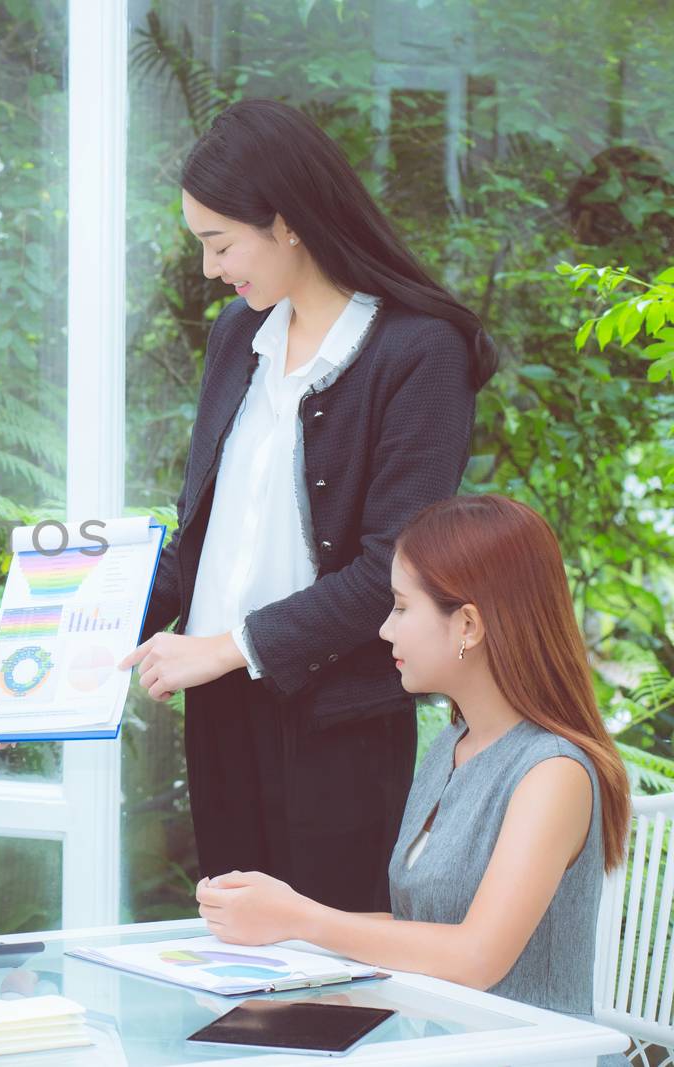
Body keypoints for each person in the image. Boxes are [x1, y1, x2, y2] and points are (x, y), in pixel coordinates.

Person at [123, 98, 498, 912]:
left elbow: (390, 571)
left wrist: (228, 645)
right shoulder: (239, 335)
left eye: (219, 243)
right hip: (218, 705)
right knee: (238, 956)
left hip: (339, 720)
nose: (210, 268)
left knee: (328, 970)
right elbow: (204, 537)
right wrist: (75, 627)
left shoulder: (419, 353)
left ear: (286, 223)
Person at [196, 495, 631, 1061]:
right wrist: (277, 925)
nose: (383, 630)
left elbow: (476, 957)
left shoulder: (552, 773)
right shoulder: (451, 747)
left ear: (467, 625)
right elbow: (418, 927)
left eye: (401, 608)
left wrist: (301, 918)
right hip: (434, 1044)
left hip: (526, 1054)